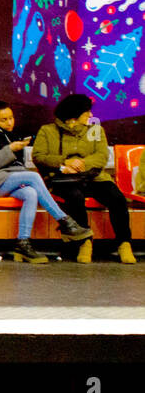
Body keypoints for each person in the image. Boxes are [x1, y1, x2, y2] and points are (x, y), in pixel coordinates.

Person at [0, 100, 91, 262]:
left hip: (4, 179)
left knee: (31, 193)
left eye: (11, 118)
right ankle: (65, 221)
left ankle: (23, 243)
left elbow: (15, 168)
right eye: (4, 120)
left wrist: (14, 151)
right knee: (32, 176)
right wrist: (10, 150)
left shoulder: (11, 136)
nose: (10, 122)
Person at [32, 93, 136, 264]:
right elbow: (39, 156)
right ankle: (84, 242)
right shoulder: (47, 131)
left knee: (117, 198)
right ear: (74, 116)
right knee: (75, 197)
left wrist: (82, 163)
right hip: (63, 179)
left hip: (92, 178)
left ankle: (124, 243)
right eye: (86, 112)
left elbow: (102, 156)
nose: (90, 115)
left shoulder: (95, 130)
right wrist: (65, 162)